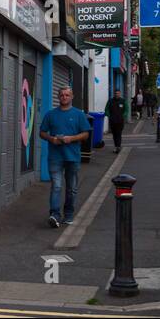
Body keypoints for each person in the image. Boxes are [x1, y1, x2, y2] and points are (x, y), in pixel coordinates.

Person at [38, 86, 91, 228]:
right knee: (56, 186)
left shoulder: (79, 114)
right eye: (62, 95)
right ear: (58, 97)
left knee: (71, 188)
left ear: (72, 97)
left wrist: (71, 138)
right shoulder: (50, 114)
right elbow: (42, 132)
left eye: (67, 95)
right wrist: (52, 139)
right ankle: (55, 215)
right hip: (55, 157)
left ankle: (68, 214)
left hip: (72, 157)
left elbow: (86, 134)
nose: (64, 97)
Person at [104, 87, 127, 154]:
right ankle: (116, 146)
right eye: (116, 93)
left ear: (120, 94)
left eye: (118, 93)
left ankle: (118, 146)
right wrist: (109, 115)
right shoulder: (110, 101)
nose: (117, 94)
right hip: (112, 121)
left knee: (118, 133)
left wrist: (123, 115)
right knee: (114, 134)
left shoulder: (123, 101)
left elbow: (126, 109)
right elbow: (106, 109)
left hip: (120, 121)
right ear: (114, 94)